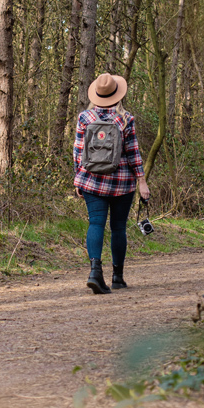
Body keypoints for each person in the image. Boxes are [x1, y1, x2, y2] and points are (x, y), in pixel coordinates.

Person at [73, 72, 150, 294]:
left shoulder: (84, 118)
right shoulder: (125, 118)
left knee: (95, 223)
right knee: (118, 228)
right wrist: (142, 181)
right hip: (122, 182)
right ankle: (117, 277)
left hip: (92, 180)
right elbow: (133, 153)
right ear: (117, 95)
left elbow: (78, 152)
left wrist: (78, 178)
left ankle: (95, 272)